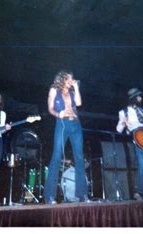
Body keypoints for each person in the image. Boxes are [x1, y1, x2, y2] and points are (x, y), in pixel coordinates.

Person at [44, 71, 89, 204]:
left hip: (76, 124)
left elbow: (79, 103)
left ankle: (82, 194)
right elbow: (50, 108)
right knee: (57, 156)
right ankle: (49, 196)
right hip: (62, 123)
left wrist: (76, 88)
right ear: (63, 78)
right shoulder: (54, 90)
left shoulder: (73, 91)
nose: (72, 80)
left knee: (79, 157)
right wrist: (58, 114)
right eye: (70, 79)